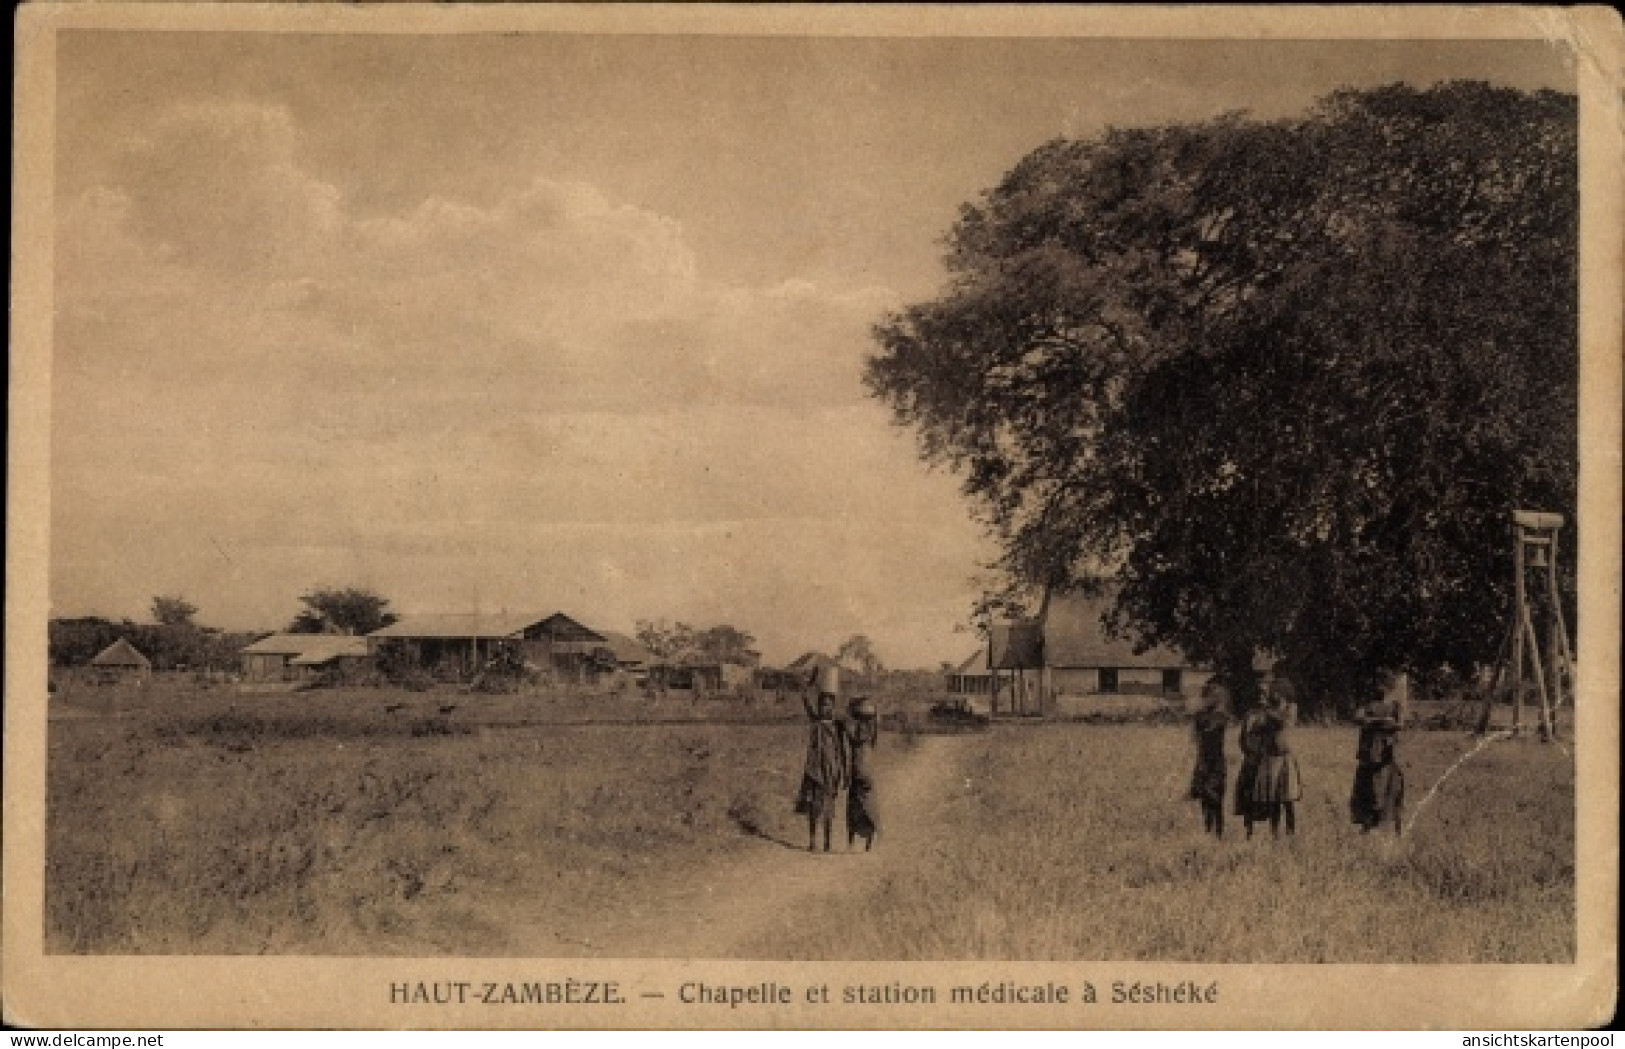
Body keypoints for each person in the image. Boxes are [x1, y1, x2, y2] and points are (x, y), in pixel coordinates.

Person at [795, 669, 850, 853]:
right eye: (822, 705)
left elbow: (842, 749)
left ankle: (827, 842)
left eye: (828, 705)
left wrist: (844, 771)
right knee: (813, 806)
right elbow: (804, 696)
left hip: (831, 770)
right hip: (814, 768)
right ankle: (812, 841)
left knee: (828, 807)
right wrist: (811, 680)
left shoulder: (837, 725)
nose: (824, 708)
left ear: (833, 707)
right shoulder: (815, 721)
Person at [1251, 678, 1303, 838]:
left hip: (1284, 757)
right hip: (1271, 757)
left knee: (1288, 799)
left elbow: (1283, 722)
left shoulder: (1290, 708)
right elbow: (1256, 729)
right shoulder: (1268, 710)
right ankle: (1274, 834)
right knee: (1273, 799)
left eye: (1275, 691)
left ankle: (1290, 833)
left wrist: (1266, 713)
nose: (1272, 694)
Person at [1350, 691, 1405, 835]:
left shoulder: (1394, 706)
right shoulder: (1368, 707)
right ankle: (1368, 825)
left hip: (1385, 755)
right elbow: (1358, 718)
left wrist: (1377, 722)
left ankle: (1389, 826)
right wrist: (1380, 721)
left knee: (1386, 789)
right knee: (1369, 789)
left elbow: (1400, 724)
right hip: (1370, 755)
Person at [1189, 681, 1231, 838]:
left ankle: (1218, 831)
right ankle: (1208, 828)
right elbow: (1194, 738)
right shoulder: (1200, 716)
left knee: (1216, 797)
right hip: (1203, 760)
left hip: (1216, 761)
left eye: (1215, 697)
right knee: (1204, 798)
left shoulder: (1221, 717)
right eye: (1210, 697)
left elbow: (1214, 728)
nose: (1212, 700)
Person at [845, 696, 880, 851]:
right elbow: (848, 727)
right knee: (855, 809)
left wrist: (874, 718)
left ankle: (868, 843)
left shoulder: (868, 741)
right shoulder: (856, 741)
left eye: (865, 724)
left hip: (866, 776)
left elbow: (874, 727)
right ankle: (852, 843)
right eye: (861, 723)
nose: (863, 728)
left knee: (868, 808)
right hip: (856, 774)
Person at [1233, 694, 1270, 838]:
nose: (1261, 699)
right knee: (1246, 791)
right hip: (1250, 759)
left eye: (1264, 696)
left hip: (1265, 759)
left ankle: (1272, 830)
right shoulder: (1249, 715)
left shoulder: (1270, 715)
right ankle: (1249, 829)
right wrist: (1248, 752)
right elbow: (1242, 738)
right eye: (1259, 695)